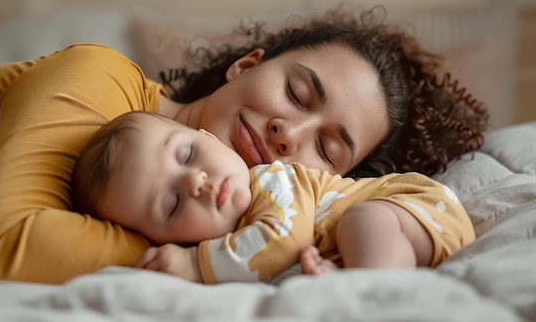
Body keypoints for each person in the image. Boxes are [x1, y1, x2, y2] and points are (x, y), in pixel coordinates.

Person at [0, 5, 488, 284]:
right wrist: (223, 266)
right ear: (244, 66)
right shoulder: (99, 78)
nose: (289, 135)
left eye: (328, 149)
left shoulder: (238, 215)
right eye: (295, 92)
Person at [71, 110, 475, 283]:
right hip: (403, 238)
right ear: (159, 238)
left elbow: (283, 239)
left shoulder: (272, 181)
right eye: (172, 203)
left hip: (416, 205)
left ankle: (376, 290)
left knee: (361, 221)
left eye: (188, 155)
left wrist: (196, 264)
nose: (195, 183)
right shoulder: (234, 244)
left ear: (207, 137)